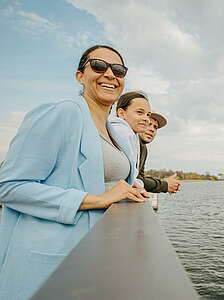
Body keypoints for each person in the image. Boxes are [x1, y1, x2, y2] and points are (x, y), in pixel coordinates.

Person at [0, 45, 149, 299]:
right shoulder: (63, 112)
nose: (110, 74)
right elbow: (9, 186)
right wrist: (98, 199)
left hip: (97, 254)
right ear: (80, 76)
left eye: (118, 70)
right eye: (98, 66)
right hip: (54, 259)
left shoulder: (114, 132)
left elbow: (106, 178)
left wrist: (127, 189)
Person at [109, 91, 152, 188]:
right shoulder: (123, 132)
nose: (146, 119)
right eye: (140, 112)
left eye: (148, 114)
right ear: (121, 113)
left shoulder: (131, 134)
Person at [138, 113, 182, 193]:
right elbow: (134, 181)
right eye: (148, 124)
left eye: (155, 127)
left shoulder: (143, 148)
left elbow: (140, 178)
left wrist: (162, 182)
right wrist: (164, 185)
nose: (152, 129)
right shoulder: (130, 142)